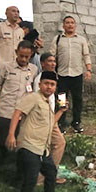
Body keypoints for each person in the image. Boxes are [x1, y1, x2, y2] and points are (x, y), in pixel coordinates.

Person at [6, 70, 66, 192]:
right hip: (29, 146)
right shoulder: (33, 98)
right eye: (46, 83)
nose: (49, 87)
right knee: (30, 181)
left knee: (51, 172)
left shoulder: (47, 104)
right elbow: (17, 112)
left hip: (42, 149)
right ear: (40, 84)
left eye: (52, 84)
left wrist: (60, 112)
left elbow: (50, 124)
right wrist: (11, 135)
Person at [0, 40, 38, 159]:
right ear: (16, 52)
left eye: (26, 57)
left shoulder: (34, 70)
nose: (23, 59)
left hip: (22, 114)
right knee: (3, 141)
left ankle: (16, 167)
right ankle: (2, 166)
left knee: (19, 143)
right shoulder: (7, 67)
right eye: (21, 56)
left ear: (31, 55)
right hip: (5, 110)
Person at [48, 15, 92, 133]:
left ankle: (76, 122)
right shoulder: (57, 39)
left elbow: (86, 55)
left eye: (72, 23)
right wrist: (51, 70)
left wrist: (88, 69)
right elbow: (52, 56)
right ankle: (62, 122)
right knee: (62, 98)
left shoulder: (81, 40)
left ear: (75, 25)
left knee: (77, 99)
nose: (70, 25)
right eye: (67, 23)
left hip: (77, 74)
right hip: (62, 74)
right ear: (63, 25)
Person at [32, 53, 66, 185]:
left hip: (51, 117)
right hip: (43, 119)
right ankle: (43, 179)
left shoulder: (52, 77)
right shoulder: (40, 79)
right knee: (51, 146)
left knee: (58, 143)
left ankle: (50, 175)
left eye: (54, 61)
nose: (52, 64)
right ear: (42, 63)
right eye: (49, 61)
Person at [0, 6, 25, 73]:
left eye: (18, 12)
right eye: (13, 11)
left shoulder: (20, 31)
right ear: (6, 14)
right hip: (1, 67)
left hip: (16, 68)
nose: (16, 13)